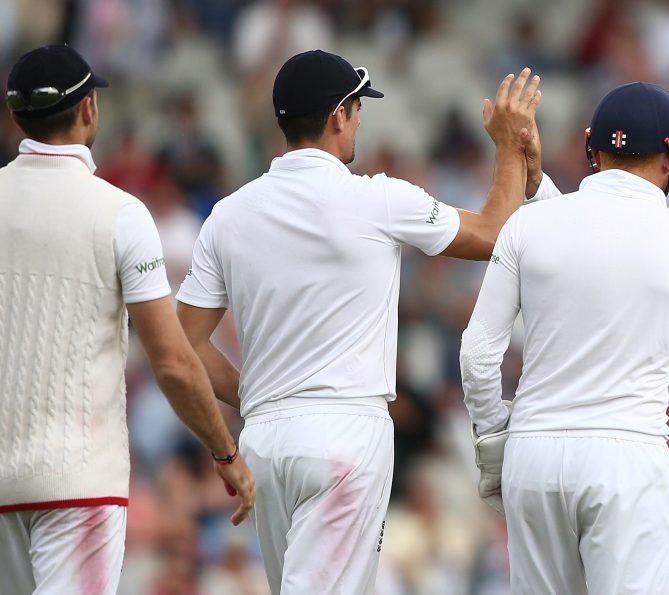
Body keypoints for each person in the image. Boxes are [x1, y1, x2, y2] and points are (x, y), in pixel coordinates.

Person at [174, 49, 542, 594]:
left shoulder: (229, 214)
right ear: (338, 116)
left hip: (266, 441)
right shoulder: (377, 198)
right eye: (357, 107)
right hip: (346, 435)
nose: (360, 120)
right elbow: (495, 234)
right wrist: (511, 146)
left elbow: (186, 343)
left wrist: (255, 395)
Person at [459, 82, 669, 595]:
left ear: (593, 152)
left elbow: (479, 354)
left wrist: (493, 441)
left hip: (534, 456)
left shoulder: (527, 224)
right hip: (627, 462)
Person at [0, 44, 254, 595]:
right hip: (80, 484)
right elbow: (172, 362)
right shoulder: (121, 213)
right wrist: (225, 451)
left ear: (16, 117)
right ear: (89, 110)